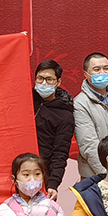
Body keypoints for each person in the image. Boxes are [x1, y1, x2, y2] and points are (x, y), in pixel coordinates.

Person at [73, 52, 108, 179]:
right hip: (98, 175)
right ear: (86, 74)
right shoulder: (80, 103)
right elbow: (89, 145)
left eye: (106, 68)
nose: (102, 73)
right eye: (96, 69)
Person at [32, 60, 74, 199]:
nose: (44, 83)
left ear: (58, 82)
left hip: (43, 173)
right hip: (17, 168)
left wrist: (53, 184)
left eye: (49, 79)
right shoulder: (25, 100)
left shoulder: (65, 114)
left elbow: (60, 152)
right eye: (40, 78)